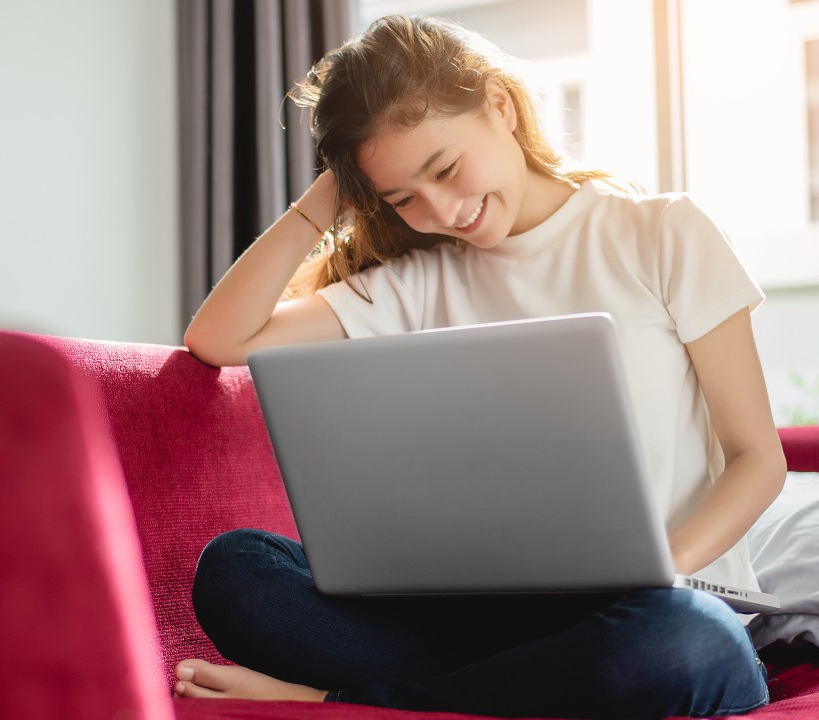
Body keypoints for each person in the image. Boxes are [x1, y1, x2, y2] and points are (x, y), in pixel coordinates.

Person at [175, 14, 787, 720]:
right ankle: (494, 690)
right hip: (477, 624)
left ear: (500, 105)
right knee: (235, 570)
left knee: (686, 648)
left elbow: (756, 459)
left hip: (651, 614)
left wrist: (668, 568)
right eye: (403, 196)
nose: (441, 209)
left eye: (445, 168)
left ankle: (351, 700)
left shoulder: (662, 233)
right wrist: (332, 193)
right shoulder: (418, 281)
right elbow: (218, 339)